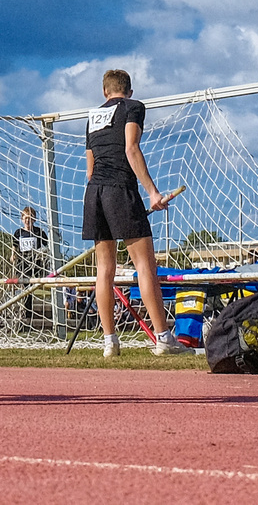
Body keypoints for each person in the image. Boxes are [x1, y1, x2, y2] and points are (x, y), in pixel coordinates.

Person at [83, 68, 173, 359]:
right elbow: (131, 148)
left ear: (105, 92)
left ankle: (110, 342)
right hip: (120, 188)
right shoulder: (133, 107)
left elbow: (90, 169)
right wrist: (153, 193)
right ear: (129, 91)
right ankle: (163, 338)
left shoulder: (93, 116)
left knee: (104, 270)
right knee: (145, 266)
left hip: (94, 193)